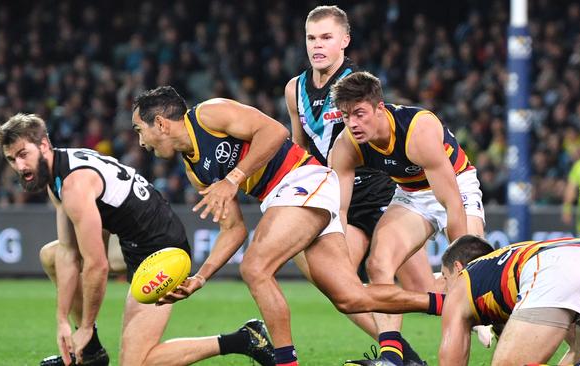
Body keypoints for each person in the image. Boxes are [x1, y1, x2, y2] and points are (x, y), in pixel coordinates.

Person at [131, 86, 439, 366]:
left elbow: (274, 131)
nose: (141, 142)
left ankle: (285, 363)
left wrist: (232, 179)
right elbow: (234, 229)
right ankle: (442, 304)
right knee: (350, 298)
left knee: (254, 268)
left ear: (160, 123)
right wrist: (200, 276)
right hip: (288, 197)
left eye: (139, 130)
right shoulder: (194, 168)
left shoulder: (209, 114)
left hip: (303, 179)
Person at [0, 113, 274, 366]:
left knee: (138, 363)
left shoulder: (74, 183)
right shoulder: (59, 174)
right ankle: (93, 353)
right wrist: (62, 321)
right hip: (131, 244)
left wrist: (83, 326)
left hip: (162, 253)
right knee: (52, 254)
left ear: (44, 145)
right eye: (11, 159)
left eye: (23, 154)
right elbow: (69, 254)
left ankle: (245, 339)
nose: (19, 166)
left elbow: (96, 265)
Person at [284, 5, 429, 349]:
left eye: (326, 37)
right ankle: (398, 349)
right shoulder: (295, 89)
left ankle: (485, 314)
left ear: (345, 41)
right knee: (338, 284)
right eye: (311, 38)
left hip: (378, 191)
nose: (317, 45)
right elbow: (299, 149)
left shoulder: (356, 86)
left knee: (424, 287)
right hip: (338, 195)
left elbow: (383, 135)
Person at [328, 71, 486, 366]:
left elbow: (451, 202)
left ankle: (495, 321)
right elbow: (339, 212)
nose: (353, 123)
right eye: (347, 115)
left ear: (380, 108)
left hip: (457, 185)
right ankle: (392, 357)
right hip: (411, 193)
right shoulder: (346, 145)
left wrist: (462, 268)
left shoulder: (419, 130)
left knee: (477, 272)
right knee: (378, 264)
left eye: (360, 114)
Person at [439, 235, 580, 366]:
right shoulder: (498, 266)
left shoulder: (462, 283)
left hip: (554, 265)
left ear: (457, 268)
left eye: (445, 278)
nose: (446, 288)